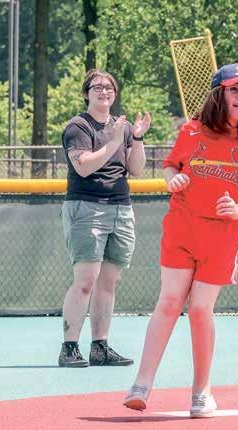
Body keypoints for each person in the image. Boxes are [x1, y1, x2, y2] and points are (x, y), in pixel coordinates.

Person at [124, 64, 238, 417]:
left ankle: (201, 391)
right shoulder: (192, 130)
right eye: (234, 89)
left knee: (199, 308)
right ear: (218, 94)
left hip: (222, 236)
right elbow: (171, 166)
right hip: (183, 227)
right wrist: (172, 179)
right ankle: (141, 385)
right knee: (169, 301)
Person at [59, 69, 151, 367]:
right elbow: (83, 166)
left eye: (109, 87)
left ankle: (100, 347)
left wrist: (136, 137)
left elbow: (136, 169)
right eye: (97, 87)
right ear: (86, 93)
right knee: (86, 279)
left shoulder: (122, 127)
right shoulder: (78, 126)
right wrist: (113, 142)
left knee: (108, 281)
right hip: (87, 207)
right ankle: (69, 347)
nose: (104, 91)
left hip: (120, 208)